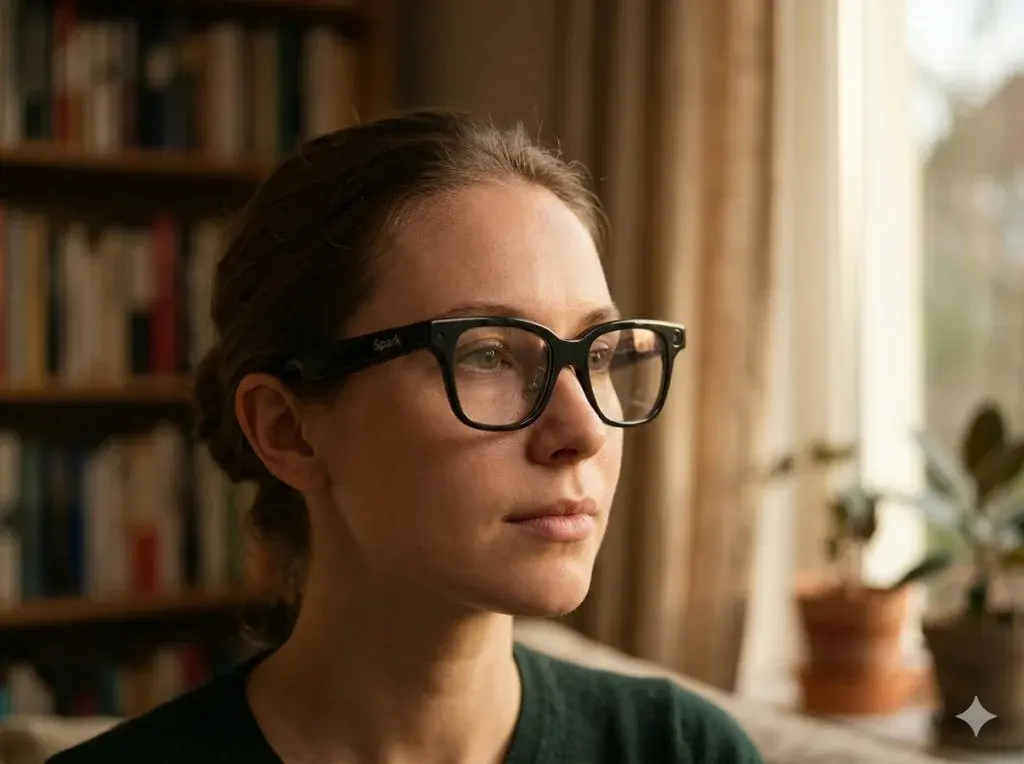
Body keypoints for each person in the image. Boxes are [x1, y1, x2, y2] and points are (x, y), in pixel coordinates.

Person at [50, 110, 762, 764]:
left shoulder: (683, 752)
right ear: (288, 430)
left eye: (597, 354)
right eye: (487, 354)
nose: (582, 431)